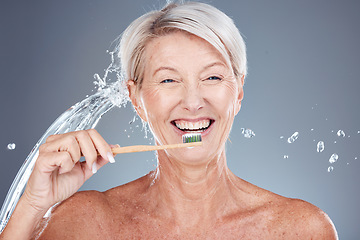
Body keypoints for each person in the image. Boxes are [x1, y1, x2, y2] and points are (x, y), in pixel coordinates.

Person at [0, 1, 338, 239]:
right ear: (136, 98)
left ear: (238, 92)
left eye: (213, 78)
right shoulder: (81, 224)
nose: (193, 102)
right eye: (168, 80)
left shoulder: (302, 229)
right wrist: (33, 204)